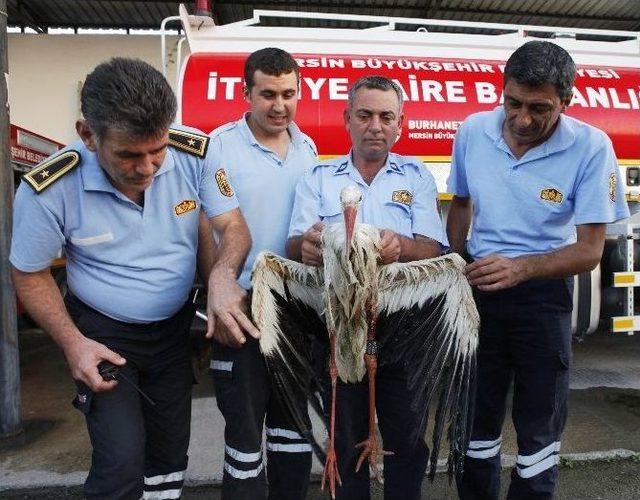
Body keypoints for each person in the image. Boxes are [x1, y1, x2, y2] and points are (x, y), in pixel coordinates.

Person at [10, 58, 256, 500]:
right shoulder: (49, 187)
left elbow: (232, 226)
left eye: (156, 150)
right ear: (88, 134)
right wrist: (73, 343)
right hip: (103, 336)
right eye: (128, 154)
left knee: (168, 459)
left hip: (173, 333)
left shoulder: (194, 153)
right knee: (121, 463)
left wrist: (222, 277)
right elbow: (28, 272)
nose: (147, 168)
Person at [446, 41, 629, 499]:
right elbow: (461, 203)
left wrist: (522, 269)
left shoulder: (591, 147)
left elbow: (589, 250)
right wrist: (454, 264)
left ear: (566, 101)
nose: (523, 119)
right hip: (479, 289)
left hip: (543, 297)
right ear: (501, 91)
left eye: (540, 108)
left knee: (539, 426)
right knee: (475, 418)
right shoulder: (472, 131)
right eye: (514, 103)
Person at [286, 75, 447, 500]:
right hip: (339, 327)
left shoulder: (417, 177)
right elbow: (294, 241)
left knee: (406, 437)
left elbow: (432, 247)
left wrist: (402, 246)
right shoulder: (318, 178)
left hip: (404, 328)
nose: (375, 125)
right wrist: (307, 246)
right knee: (344, 435)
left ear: (400, 124)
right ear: (347, 120)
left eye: (386, 116)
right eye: (365, 115)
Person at [201, 48, 318, 500]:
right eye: (267, 94)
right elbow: (211, 227)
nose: (279, 105)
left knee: (293, 431)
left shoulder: (308, 149)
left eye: (289, 94)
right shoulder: (221, 146)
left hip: (297, 308)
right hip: (242, 306)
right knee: (245, 436)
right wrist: (216, 283)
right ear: (246, 93)